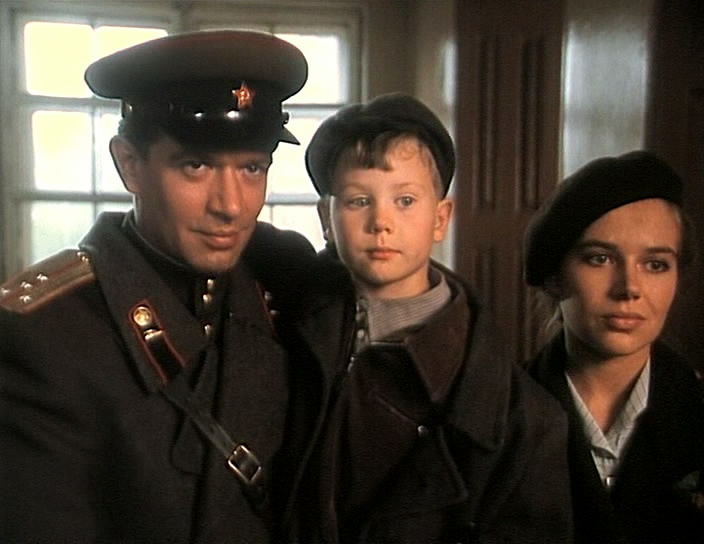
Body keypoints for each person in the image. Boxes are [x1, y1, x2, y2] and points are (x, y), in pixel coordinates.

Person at [0, 30, 316, 543]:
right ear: (130, 165)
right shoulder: (47, 338)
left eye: (252, 168)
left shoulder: (282, 286)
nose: (231, 205)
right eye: (196, 166)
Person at [269, 92, 573, 543]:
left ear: (440, 218)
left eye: (406, 200)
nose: (381, 222)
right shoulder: (284, 341)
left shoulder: (517, 415)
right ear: (326, 220)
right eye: (358, 201)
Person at [523, 150, 704, 543]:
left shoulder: (696, 411)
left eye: (655, 265)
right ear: (555, 277)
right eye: (600, 258)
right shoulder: (498, 418)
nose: (629, 288)